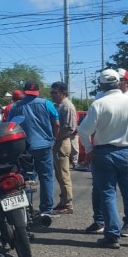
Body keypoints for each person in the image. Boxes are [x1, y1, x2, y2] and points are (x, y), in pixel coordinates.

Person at [77, 69, 128, 249]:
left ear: (101, 85)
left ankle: (112, 235)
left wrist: (89, 149)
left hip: (104, 152)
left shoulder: (99, 103)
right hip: (127, 151)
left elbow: (83, 130)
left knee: (107, 194)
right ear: (119, 82)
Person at [8, 81, 60, 216]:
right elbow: (57, 123)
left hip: (25, 147)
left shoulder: (15, 107)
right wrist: (54, 138)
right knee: (46, 177)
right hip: (44, 145)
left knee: (29, 178)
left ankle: (28, 208)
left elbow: (9, 126)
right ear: (38, 91)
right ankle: (47, 209)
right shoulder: (46, 103)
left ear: (24, 91)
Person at [50, 82, 76, 214]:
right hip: (57, 143)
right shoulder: (57, 106)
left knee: (64, 174)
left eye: (55, 92)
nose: (52, 95)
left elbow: (69, 128)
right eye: (52, 92)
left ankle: (68, 204)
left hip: (62, 142)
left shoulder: (67, 106)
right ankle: (63, 200)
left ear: (63, 93)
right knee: (59, 175)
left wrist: (55, 138)